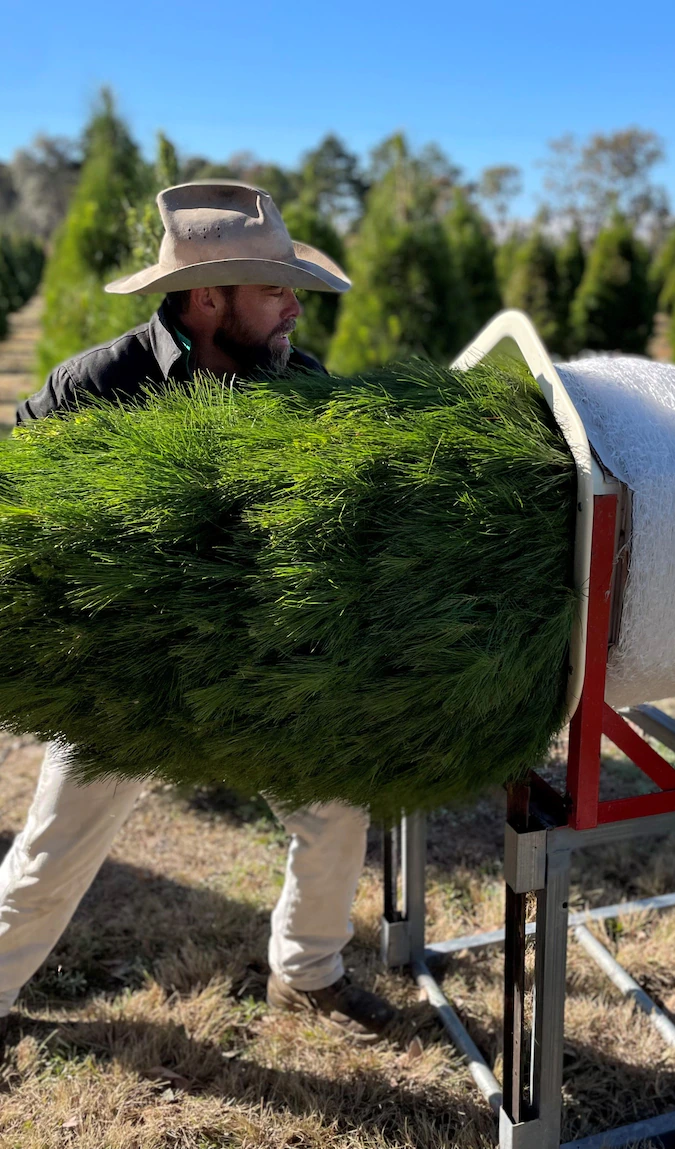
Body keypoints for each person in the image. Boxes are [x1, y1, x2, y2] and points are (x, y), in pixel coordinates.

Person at [0, 181, 395, 1046]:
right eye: (275, 289)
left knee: (335, 808)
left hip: (256, 668)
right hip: (126, 680)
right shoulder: (99, 385)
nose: (296, 307)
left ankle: (308, 974)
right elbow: (16, 496)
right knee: (50, 851)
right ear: (208, 297)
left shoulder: (300, 384)